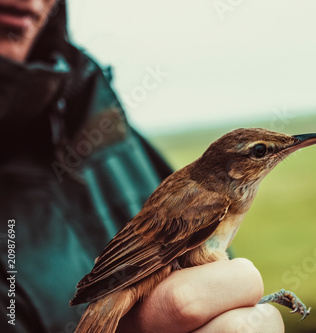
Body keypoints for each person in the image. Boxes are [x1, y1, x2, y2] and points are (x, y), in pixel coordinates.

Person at [0, 1, 284, 332]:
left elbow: (200, 280)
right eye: (261, 152)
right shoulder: (211, 197)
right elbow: (160, 255)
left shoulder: (106, 128)